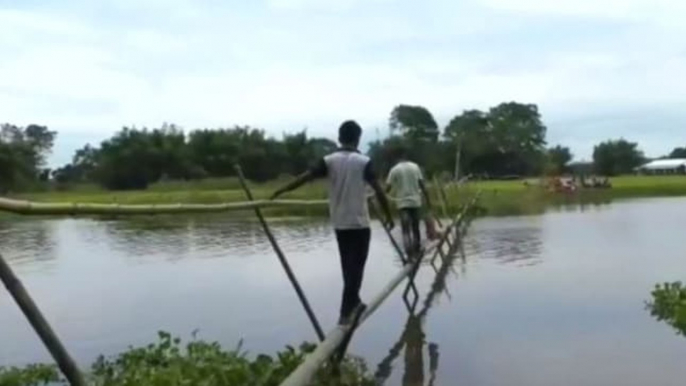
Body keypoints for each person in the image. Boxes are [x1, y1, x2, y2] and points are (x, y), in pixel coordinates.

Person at [270, 120, 394, 327]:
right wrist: (388, 215)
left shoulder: (328, 160)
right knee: (357, 267)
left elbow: (304, 177)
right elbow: (379, 190)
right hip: (360, 223)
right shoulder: (363, 161)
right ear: (358, 138)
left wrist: (282, 190)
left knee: (347, 266)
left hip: (340, 222)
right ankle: (346, 311)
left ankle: (354, 302)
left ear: (339, 137)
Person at [385, 148, 435, 258]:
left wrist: (385, 195)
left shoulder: (394, 170)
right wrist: (429, 201)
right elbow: (422, 185)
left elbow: (387, 188)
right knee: (415, 227)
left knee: (405, 230)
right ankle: (417, 249)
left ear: (396, 158)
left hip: (402, 204)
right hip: (415, 202)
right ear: (405, 156)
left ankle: (409, 253)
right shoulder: (415, 167)